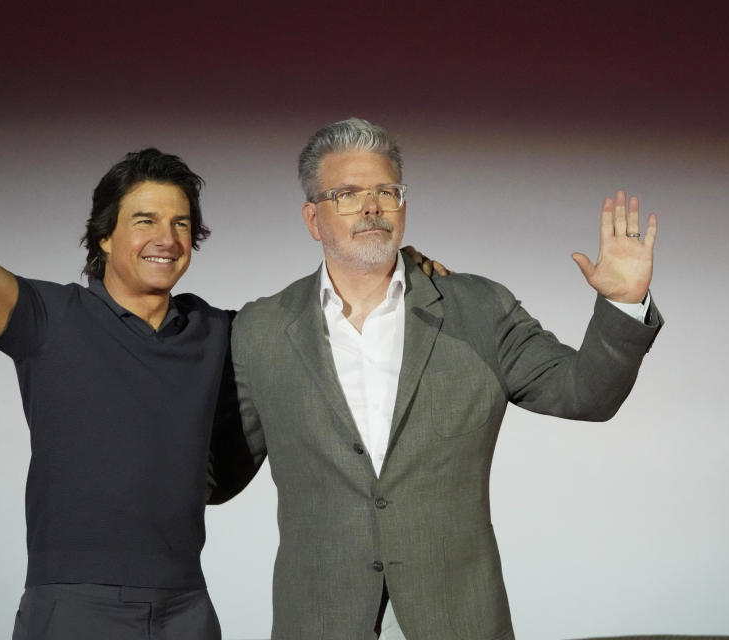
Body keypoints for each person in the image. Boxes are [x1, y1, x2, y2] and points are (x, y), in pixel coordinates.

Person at [0, 52, 258, 640]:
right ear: (105, 233)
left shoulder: (218, 330)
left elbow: (314, 316)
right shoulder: (51, 317)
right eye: (145, 220)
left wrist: (406, 266)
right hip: (75, 607)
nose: (166, 239)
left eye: (180, 224)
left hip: (186, 607)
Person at [231, 117, 663, 640]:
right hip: (319, 620)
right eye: (347, 194)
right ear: (313, 218)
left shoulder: (479, 309)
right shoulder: (260, 330)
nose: (371, 206)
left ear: (403, 207)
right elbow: (217, 471)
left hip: (457, 619)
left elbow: (586, 394)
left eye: (385, 191)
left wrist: (622, 302)